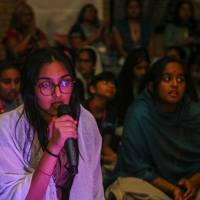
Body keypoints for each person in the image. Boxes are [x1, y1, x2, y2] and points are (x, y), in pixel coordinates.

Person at [0, 47, 104, 200]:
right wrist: (53, 147)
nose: (58, 94)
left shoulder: (85, 121)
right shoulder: (7, 128)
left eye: (65, 83)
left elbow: (95, 189)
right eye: (46, 85)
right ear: (30, 89)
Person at [105, 57, 200, 200]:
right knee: (126, 190)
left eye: (180, 80)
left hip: (189, 184)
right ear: (152, 86)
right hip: (151, 184)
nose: (175, 84)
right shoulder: (140, 113)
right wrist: (172, 188)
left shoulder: (192, 112)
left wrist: (192, 183)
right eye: (167, 79)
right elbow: (134, 165)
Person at [68, 4, 121, 75]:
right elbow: (77, 47)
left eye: (94, 12)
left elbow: (112, 45)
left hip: (109, 58)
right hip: (93, 59)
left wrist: (103, 30)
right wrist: (96, 35)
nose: (91, 13)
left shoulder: (99, 27)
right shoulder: (77, 28)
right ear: (82, 13)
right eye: (89, 11)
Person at [82, 72, 118, 164]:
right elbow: (79, 147)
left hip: (97, 156)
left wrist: (115, 157)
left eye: (114, 84)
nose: (111, 86)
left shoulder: (112, 113)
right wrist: (104, 159)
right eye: (106, 82)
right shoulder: (82, 110)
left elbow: (105, 146)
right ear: (93, 89)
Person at [115, 48, 150, 126]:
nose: (143, 72)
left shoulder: (149, 82)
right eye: (139, 68)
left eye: (146, 68)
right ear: (131, 66)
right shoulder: (120, 83)